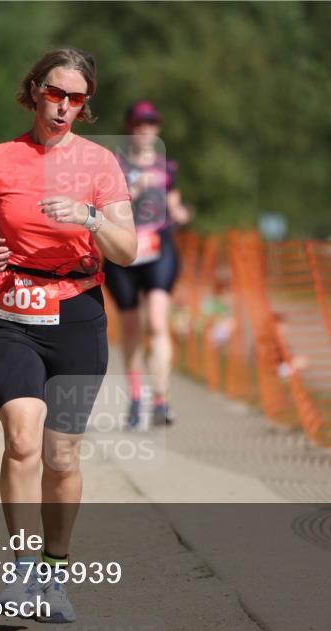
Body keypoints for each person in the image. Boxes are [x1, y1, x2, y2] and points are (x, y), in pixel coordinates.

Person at [0, 47, 136, 623]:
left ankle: (56, 575)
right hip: (11, 312)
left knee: (61, 457)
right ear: (34, 89)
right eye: (55, 93)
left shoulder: (101, 164)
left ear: (85, 106)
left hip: (79, 314)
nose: (62, 107)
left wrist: (88, 217)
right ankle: (20, 572)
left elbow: (128, 251)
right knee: (22, 439)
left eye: (75, 99)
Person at [103, 100, 191, 428]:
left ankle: (161, 399)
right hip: (124, 247)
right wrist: (136, 186)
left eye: (151, 123)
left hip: (158, 246)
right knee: (130, 327)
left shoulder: (168, 166)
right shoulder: (115, 163)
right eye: (139, 123)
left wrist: (181, 213)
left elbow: (174, 201)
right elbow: (108, 201)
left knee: (156, 322)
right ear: (129, 127)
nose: (145, 129)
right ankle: (136, 397)